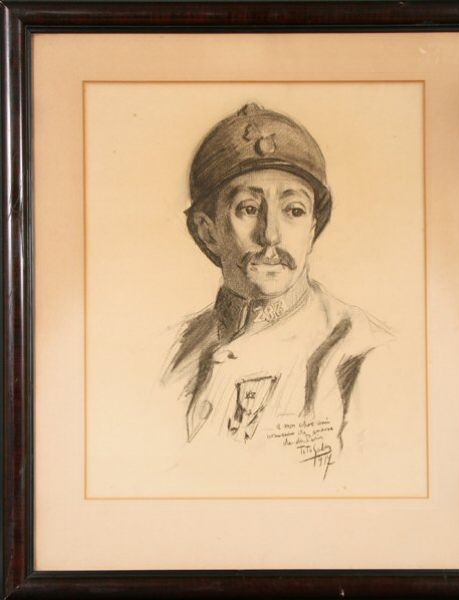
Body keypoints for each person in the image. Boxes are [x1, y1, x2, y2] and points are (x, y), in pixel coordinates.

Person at [159, 103, 392, 472]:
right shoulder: (172, 351)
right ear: (208, 231)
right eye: (249, 209)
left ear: (312, 228)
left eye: (294, 211)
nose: (270, 235)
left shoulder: (362, 353)